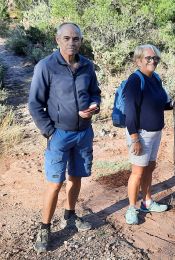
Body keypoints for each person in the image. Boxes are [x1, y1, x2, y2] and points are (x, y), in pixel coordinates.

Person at [28, 22, 101, 253]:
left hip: (83, 133)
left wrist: (94, 105)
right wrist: (50, 131)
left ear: (81, 41)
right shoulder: (46, 66)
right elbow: (35, 103)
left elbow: (94, 92)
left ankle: (70, 215)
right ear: (57, 40)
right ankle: (45, 227)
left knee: (77, 176)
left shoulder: (87, 65)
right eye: (67, 38)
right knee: (55, 182)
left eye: (76, 38)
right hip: (59, 134)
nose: (72, 43)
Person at [123, 44, 175, 225]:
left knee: (149, 168)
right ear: (138, 60)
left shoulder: (155, 78)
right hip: (140, 135)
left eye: (155, 58)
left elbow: (162, 104)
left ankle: (147, 202)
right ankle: (131, 208)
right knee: (137, 172)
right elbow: (130, 113)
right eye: (148, 58)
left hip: (155, 133)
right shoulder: (135, 80)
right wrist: (134, 138)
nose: (153, 61)